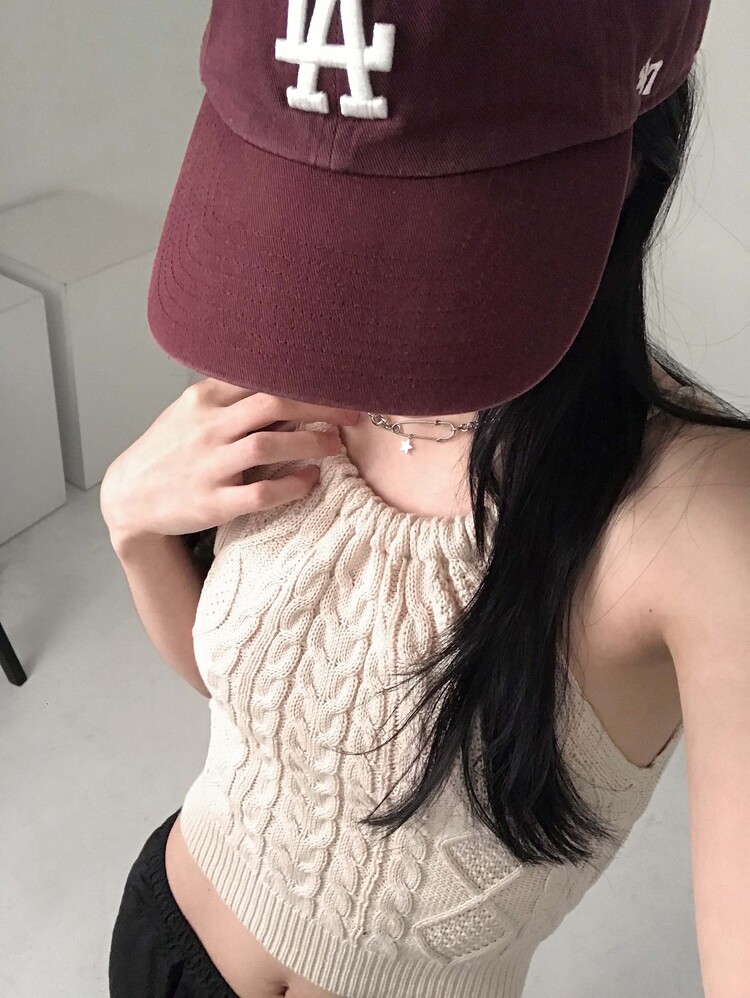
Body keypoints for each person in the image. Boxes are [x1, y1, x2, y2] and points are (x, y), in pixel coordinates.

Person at [103, 1, 750, 996]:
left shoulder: (700, 518)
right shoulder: (287, 336)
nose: (341, 296)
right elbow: (256, 710)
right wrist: (132, 525)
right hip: (164, 936)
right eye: (319, 201)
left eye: (413, 215)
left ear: (631, 162)